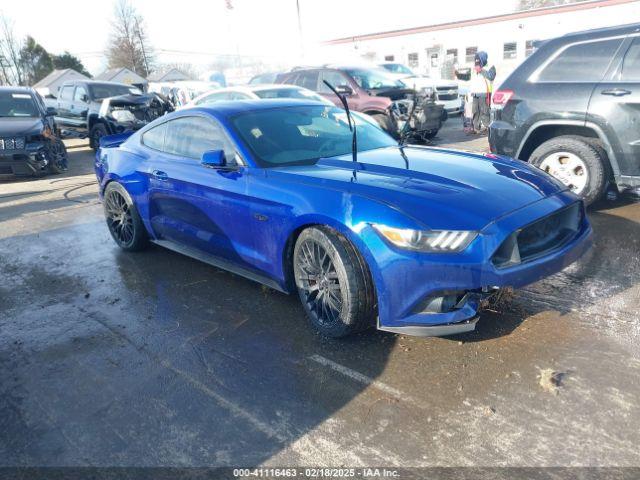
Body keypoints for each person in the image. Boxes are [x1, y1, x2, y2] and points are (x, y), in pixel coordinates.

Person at [468, 51, 496, 134]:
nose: (477, 62)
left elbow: (491, 77)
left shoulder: (490, 66)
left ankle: (487, 127)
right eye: (476, 61)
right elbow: (471, 78)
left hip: (485, 92)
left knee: (485, 111)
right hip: (475, 93)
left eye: (478, 61)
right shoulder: (475, 67)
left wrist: (481, 70)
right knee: (475, 111)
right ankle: (475, 127)